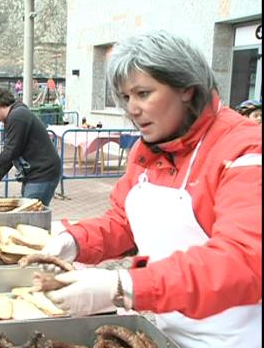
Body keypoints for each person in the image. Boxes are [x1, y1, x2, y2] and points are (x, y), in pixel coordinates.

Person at [38, 31, 261, 348]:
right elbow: (124, 222)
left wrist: (124, 284)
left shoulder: (245, 148)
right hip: (168, 330)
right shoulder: (150, 151)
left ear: (186, 88)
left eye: (143, 93)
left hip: (237, 337)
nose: (132, 108)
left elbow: (243, 260)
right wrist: (73, 241)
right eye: (126, 98)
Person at [0, 88, 62, 206]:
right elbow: (13, 155)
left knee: (31, 213)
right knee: (28, 210)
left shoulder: (17, 117)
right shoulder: (13, 117)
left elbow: (11, 152)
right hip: (34, 173)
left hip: (42, 172)